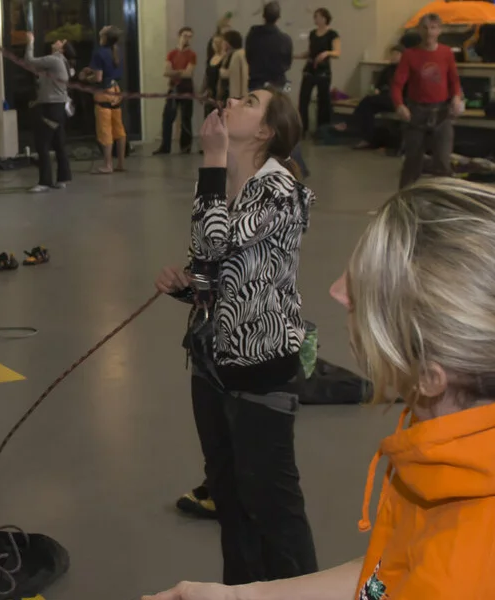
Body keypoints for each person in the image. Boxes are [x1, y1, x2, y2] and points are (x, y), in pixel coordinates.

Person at [144, 179, 495, 600]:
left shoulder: (475, 565)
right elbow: (399, 565)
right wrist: (246, 597)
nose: (337, 291)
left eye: (366, 289)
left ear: (430, 374)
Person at [157, 87, 316, 586]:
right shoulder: (230, 183)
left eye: (249, 101)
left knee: (272, 506)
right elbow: (218, 268)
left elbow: (213, 240)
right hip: (213, 363)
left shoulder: (278, 187)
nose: (232, 100)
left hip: (260, 366)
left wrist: (211, 157)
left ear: (266, 131)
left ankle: (298, 594)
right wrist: (189, 287)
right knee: (229, 498)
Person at [391, 14, 462, 188]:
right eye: (425, 28)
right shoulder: (410, 55)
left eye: (433, 28)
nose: (429, 32)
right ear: (419, 30)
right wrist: (399, 105)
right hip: (417, 113)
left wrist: (456, 97)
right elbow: (397, 84)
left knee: (443, 161)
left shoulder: (446, 53)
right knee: (413, 161)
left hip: (441, 112)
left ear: (439, 30)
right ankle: (404, 198)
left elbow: (454, 80)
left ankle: (445, 201)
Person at [334, 39, 412, 150]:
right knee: (367, 107)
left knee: (367, 101)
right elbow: (379, 85)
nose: (393, 56)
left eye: (396, 54)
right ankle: (368, 138)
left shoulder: (405, 70)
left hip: (399, 100)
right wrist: (377, 90)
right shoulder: (387, 70)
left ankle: (350, 125)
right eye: (392, 54)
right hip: (384, 98)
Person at [27, 36, 73, 193]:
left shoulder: (54, 60)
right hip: (59, 107)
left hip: (51, 108)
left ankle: (45, 181)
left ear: (62, 49)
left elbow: (30, 60)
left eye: (61, 41)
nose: (56, 40)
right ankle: (62, 178)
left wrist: (30, 41)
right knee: (59, 143)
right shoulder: (63, 63)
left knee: (42, 143)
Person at [89, 26, 129, 174]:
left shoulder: (98, 53)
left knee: (105, 130)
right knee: (119, 129)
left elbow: (98, 77)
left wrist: (86, 77)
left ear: (104, 37)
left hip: (104, 93)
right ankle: (121, 163)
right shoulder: (117, 51)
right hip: (116, 92)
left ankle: (108, 165)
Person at [297, 8, 340, 133]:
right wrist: (297, 56)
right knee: (304, 99)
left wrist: (326, 53)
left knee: (323, 100)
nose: (315, 19)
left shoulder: (332, 34)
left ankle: (322, 129)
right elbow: (310, 52)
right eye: (315, 16)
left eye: (318, 16)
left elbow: (337, 52)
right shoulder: (312, 34)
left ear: (324, 18)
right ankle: (303, 128)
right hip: (310, 69)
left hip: (323, 71)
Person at [156, 27, 198, 155]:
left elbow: (188, 74)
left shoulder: (192, 55)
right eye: (185, 35)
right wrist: (180, 72)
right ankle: (165, 146)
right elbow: (166, 71)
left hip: (186, 88)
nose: (187, 38)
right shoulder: (172, 53)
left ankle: (185, 147)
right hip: (173, 88)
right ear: (179, 36)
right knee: (168, 117)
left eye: (190, 36)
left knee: (186, 118)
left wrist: (175, 72)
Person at [244, 2, 294, 92]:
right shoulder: (285, 39)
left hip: (256, 81)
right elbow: (288, 64)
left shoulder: (253, 34)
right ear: (278, 17)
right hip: (279, 82)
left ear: (263, 15)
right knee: (280, 104)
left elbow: (248, 56)